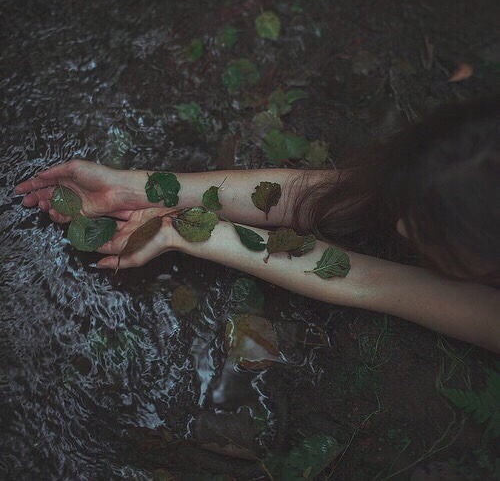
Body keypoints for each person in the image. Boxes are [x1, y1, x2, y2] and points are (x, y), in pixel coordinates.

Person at [14, 97, 500, 352]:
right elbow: (318, 198)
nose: (402, 231)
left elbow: (374, 282)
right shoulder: (475, 158)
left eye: (430, 231)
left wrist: (189, 232)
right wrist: (138, 188)